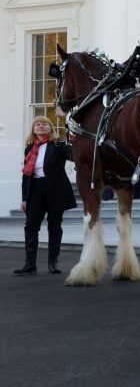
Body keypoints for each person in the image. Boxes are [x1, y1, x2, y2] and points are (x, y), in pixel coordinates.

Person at [15, 116, 77, 275]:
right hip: (35, 189)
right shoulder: (29, 148)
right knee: (30, 226)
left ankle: (53, 263)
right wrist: (24, 198)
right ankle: (30, 264)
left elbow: (73, 156)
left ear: (50, 129)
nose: (40, 126)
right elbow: (26, 175)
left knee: (54, 226)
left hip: (55, 189)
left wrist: (73, 142)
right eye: (37, 124)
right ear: (33, 129)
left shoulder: (57, 145)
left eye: (44, 124)